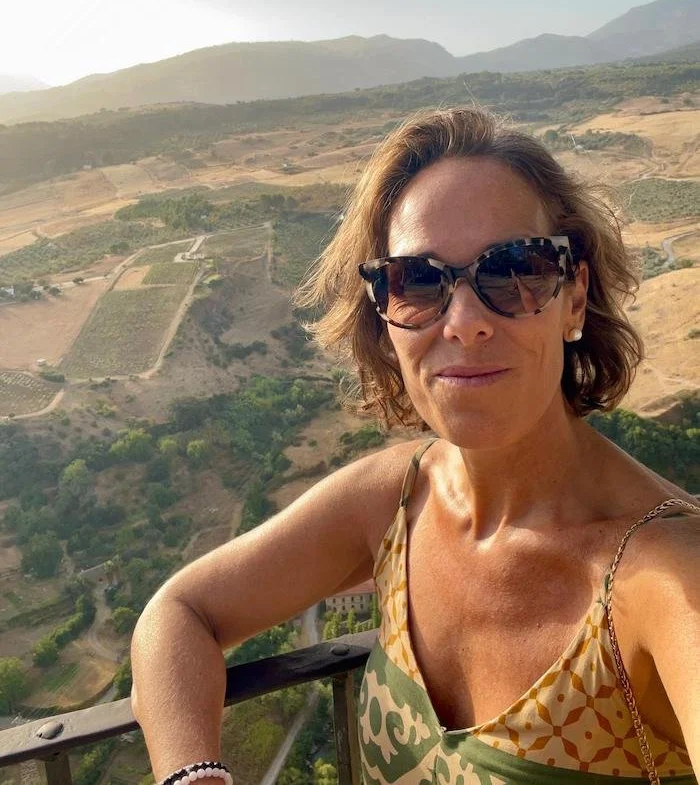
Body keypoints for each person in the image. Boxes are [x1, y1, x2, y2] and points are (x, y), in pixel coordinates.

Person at [131, 107, 699, 785]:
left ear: (573, 296)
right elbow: (179, 614)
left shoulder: (666, 576)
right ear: (383, 313)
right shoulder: (397, 497)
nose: (464, 322)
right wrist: (194, 775)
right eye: (418, 281)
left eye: (513, 270)